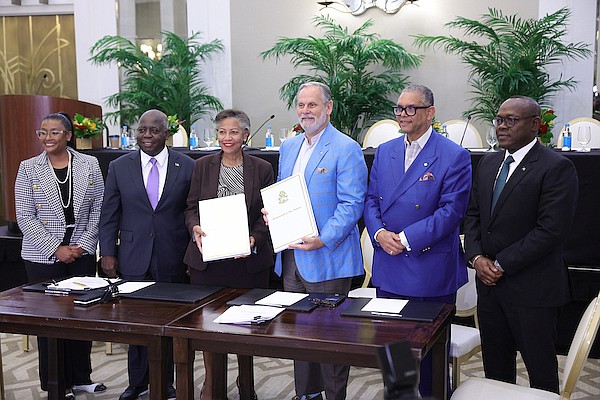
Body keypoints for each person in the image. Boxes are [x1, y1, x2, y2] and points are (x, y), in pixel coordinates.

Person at [463, 96, 578, 394]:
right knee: (496, 371)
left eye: (511, 120)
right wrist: (476, 257)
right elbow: (473, 215)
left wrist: (500, 264)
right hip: (490, 289)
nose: (502, 126)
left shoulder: (556, 167)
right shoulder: (488, 163)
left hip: (533, 289)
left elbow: (551, 231)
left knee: (540, 373)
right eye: (499, 119)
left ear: (535, 125)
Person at [363, 84, 472, 398]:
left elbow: (451, 212)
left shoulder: (454, 155)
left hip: (429, 270)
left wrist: (407, 239)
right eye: (399, 108)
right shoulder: (385, 151)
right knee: (396, 356)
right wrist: (380, 234)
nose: (403, 114)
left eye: (411, 108)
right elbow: (371, 200)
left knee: (428, 359)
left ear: (430, 113)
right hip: (389, 264)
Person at [267, 81, 368, 400]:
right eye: (301, 105)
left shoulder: (346, 147)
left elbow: (352, 204)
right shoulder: (289, 146)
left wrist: (322, 240)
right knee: (300, 335)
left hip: (329, 257)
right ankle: (306, 394)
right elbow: (285, 194)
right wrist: (274, 214)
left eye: (312, 105)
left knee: (331, 337)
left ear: (328, 107)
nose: (305, 111)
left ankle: (334, 396)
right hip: (292, 257)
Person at [99, 109, 195, 400]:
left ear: (166, 133)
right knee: (136, 323)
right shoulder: (119, 166)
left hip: (172, 255)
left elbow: (193, 211)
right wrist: (107, 253)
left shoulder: (188, 165)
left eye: (154, 130)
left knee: (169, 324)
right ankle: (137, 383)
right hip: (132, 255)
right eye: (142, 130)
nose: (147, 136)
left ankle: (165, 384)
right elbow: (109, 213)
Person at [184, 109, 274, 400]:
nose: (227, 138)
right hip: (208, 261)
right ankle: (212, 384)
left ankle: (245, 382)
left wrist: (254, 238)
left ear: (246, 135)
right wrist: (195, 227)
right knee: (209, 327)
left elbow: (266, 215)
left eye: (233, 132)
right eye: (222, 132)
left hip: (245, 261)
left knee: (245, 328)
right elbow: (190, 208)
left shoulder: (261, 168)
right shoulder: (203, 165)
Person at [14, 112, 106, 399]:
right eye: (42, 132)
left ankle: (81, 378)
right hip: (42, 255)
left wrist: (82, 244)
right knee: (50, 319)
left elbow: (99, 209)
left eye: (54, 132)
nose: (47, 138)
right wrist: (56, 248)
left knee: (82, 316)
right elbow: (25, 217)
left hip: (81, 251)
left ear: (68, 135)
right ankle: (57, 383)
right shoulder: (28, 167)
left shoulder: (89, 163)